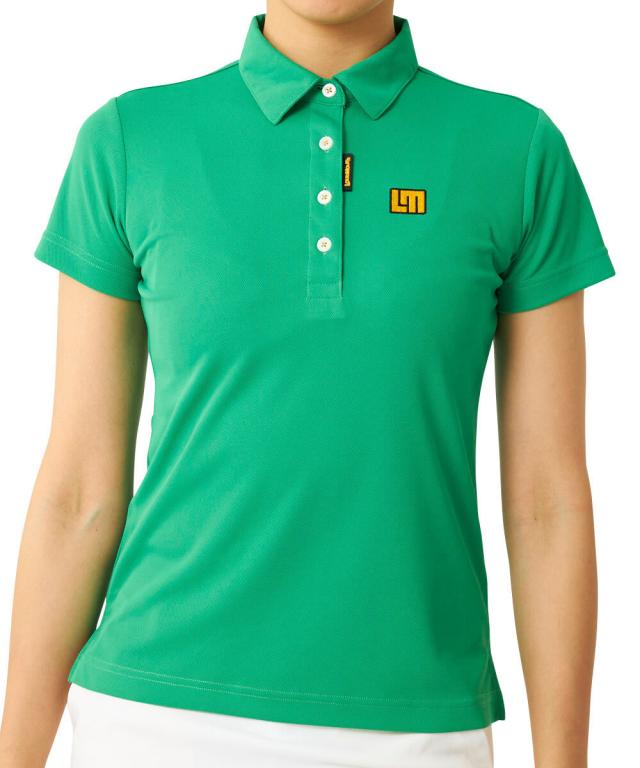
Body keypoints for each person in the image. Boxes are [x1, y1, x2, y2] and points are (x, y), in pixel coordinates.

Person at [0, 1, 615, 766]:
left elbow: (547, 503)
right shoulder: (130, 142)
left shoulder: (515, 150)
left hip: (417, 727)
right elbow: (77, 494)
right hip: (151, 718)